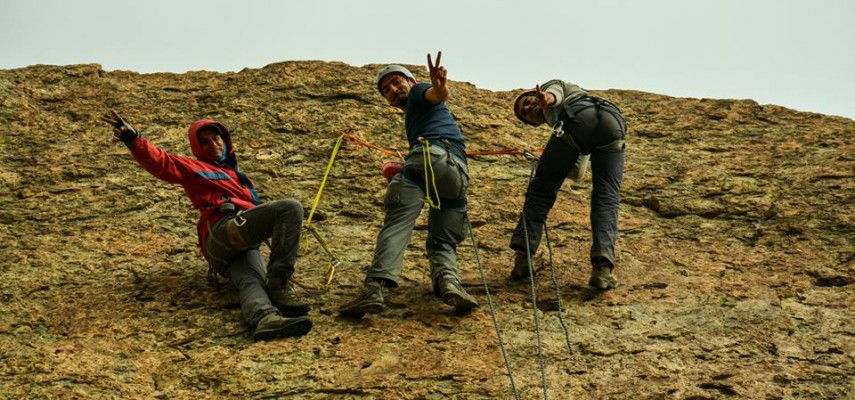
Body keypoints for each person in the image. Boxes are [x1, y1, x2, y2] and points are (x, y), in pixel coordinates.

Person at [100, 110, 313, 341]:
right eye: (204, 142)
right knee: (289, 207)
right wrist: (133, 139)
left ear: (225, 140)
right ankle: (280, 281)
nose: (212, 144)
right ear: (197, 148)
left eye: (216, 138)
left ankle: (265, 319)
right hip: (223, 229)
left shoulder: (236, 176)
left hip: (226, 251)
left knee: (251, 279)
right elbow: (161, 162)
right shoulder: (193, 167)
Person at [339, 52, 479, 317]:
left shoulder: (418, 93)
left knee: (397, 223)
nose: (392, 89)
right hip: (455, 172)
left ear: (412, 81)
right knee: (443, 237)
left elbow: (435, 94)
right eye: (386, 90)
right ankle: (449, 282)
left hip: (427, 157)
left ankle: (374, 288)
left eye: (396, 82)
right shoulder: (420, 114)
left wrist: (438, 86)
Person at [508, 80, 627, 290]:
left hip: (579, 119)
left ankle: (522, 260)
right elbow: (577, 172)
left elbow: (555, 94)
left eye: (527, 101)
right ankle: (603, 269)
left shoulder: (554, 87)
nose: (528, 108)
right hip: (613, 124)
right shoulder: (559, 123)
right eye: (525, 113)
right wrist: (545, 160)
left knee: (541, 190)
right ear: (536, 124)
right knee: (607, 196)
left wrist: (546, 98)